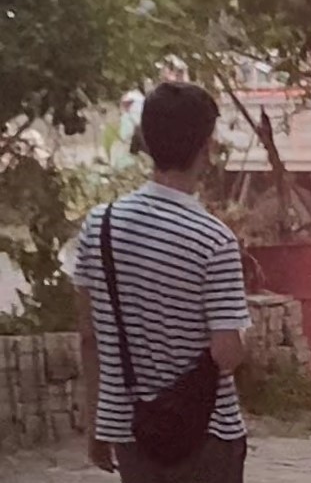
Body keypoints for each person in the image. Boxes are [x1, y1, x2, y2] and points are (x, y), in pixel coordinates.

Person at [73, 82, 251, 482]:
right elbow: (228, 351)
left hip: (132, 429)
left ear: (147, 142)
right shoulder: (213, 239)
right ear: (206, 147)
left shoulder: (98, 226)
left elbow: (89, 336)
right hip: (207, 434)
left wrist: (97, 425)